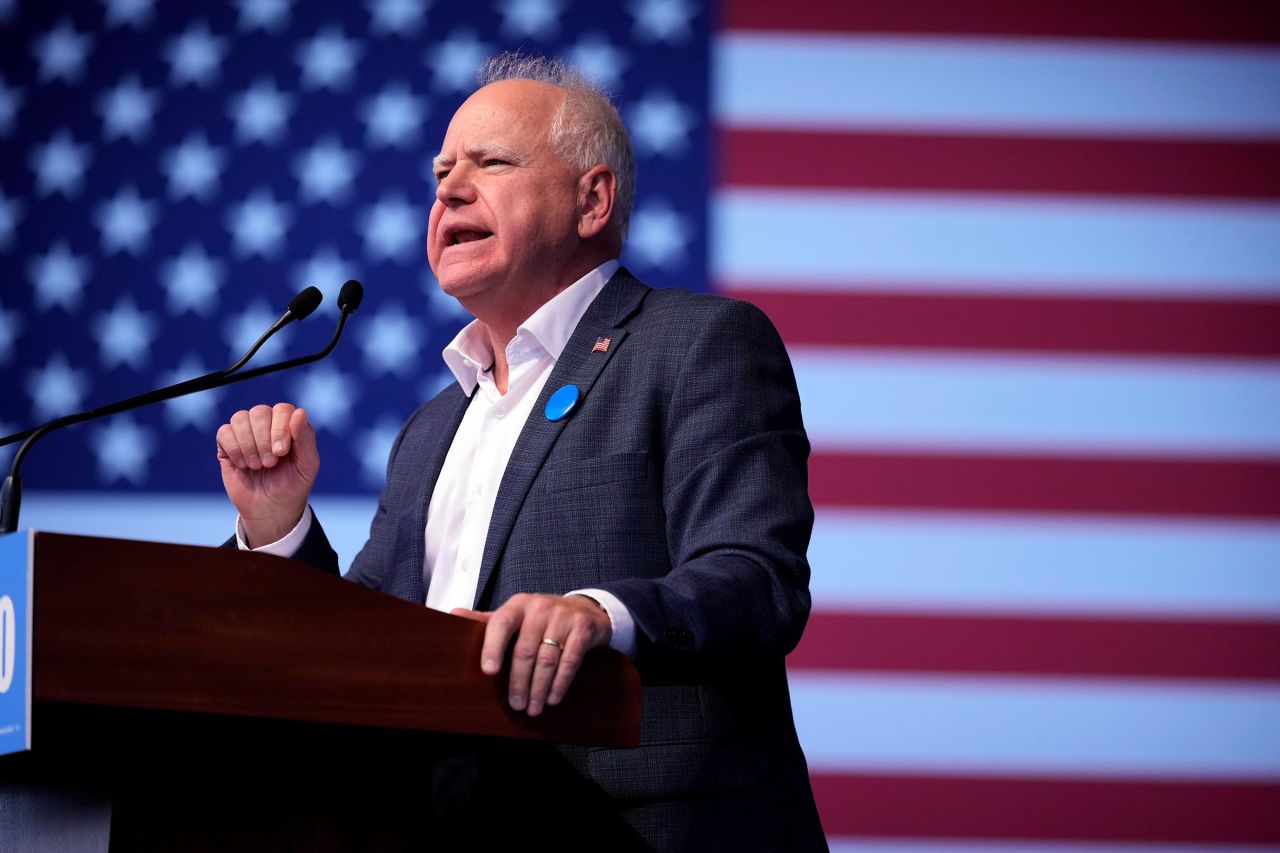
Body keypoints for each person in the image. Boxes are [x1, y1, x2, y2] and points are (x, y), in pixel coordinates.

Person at [215, 53, 826, 849]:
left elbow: (757, 578)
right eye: (440, 171)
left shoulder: (695, 344)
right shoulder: (432, 427)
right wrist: (278, 528)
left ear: (592, 199)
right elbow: (363, 641)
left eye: (491, 162)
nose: (449, 189)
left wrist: (596, 614)